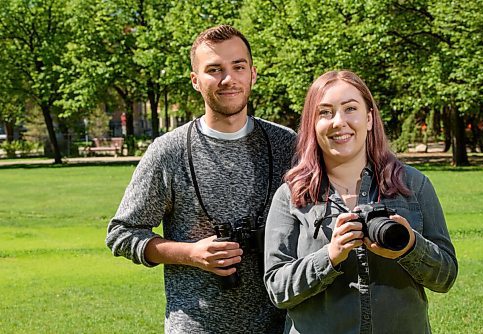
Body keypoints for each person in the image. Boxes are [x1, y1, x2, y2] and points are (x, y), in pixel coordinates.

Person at [106, 25, 296, 333]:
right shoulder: (169, 151)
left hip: (279, 326)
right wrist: (191, 254)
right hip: (196, 326)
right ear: (196, 81)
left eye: (238, 67)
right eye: (214, 69)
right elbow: (121, 233)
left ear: (253, 74)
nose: (228, 79)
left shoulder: (287, 144)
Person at [263, 70, 458, 334]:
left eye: (350, 108)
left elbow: (445, 277)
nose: (338, 122)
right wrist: (330, 256)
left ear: (369, 118)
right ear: (312, 124)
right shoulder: (291, 196)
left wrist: (411, 248)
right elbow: (277, 289)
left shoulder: (413, 185)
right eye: (325, 112)